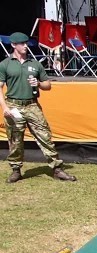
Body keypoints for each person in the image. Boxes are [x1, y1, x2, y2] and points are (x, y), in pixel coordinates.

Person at [0, 32, 76, 183]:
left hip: (32, 105)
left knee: (45, 137)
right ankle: (16, 170)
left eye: (26, 43)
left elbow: (48, 85)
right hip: (13, 105)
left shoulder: (35, 64)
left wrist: (39, 84)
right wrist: (4, 107)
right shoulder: (5, 64)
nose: (25, 46)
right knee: (15, 140)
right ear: (14, 45)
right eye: (22, 43)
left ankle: (57, 169)